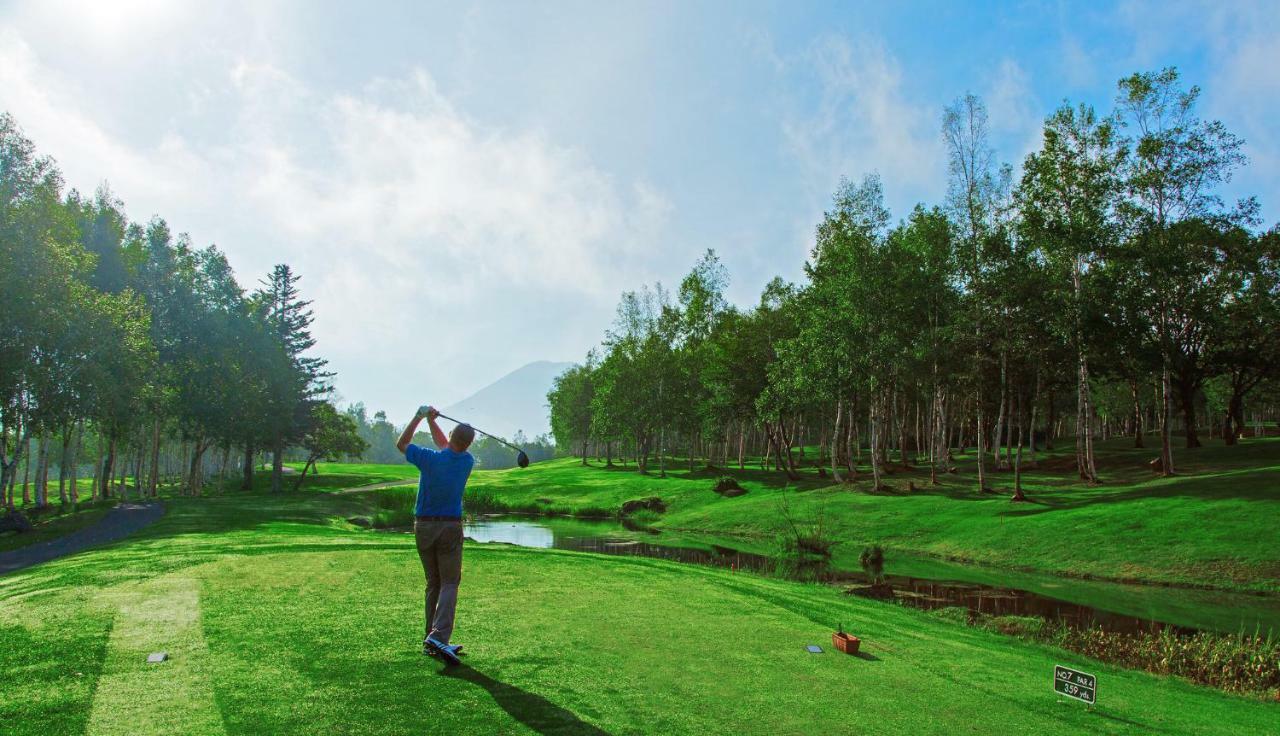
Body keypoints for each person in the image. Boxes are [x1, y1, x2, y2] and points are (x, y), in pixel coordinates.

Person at [396, 404, 476, 664]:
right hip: (449, 527)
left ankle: (432, 638)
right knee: (449, 582)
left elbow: (402, 443)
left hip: (424, 526)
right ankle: (438, 636)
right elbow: (449, 445)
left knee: (434, 583)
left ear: (452, 436)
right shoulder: (467, 461)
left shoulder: (429, 458)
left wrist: (420, 417)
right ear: (469, 443)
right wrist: (431, 421)